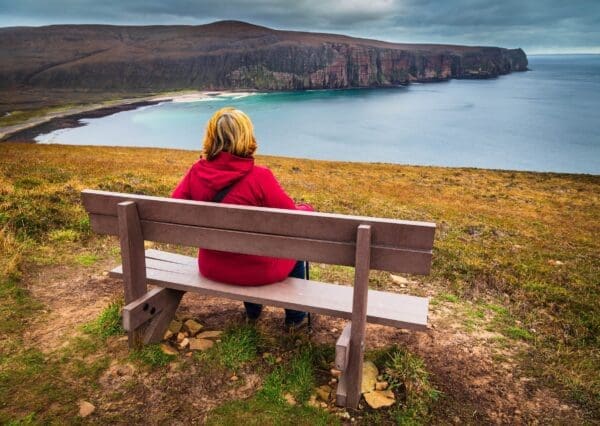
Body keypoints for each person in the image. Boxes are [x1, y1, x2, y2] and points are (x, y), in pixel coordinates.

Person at [171, 107, 312, 329]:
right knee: (296, 250)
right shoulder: (260, 178)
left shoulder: (195, 173)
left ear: (211, 137)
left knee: (243, 249)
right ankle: (296, 318)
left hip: (212, 266)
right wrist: (307, 209)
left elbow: (173, 208)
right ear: (246, 137)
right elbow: (293, 220)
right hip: (257, 272)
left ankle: (253, 312)